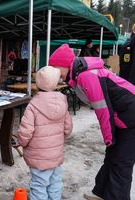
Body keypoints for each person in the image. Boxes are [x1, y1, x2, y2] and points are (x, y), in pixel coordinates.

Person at [49, 44, 135, 200]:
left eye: (55, 68)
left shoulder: (86, 76)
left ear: (64, 65)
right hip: (123, 116)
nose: (55, 73)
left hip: (131, 116)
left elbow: (103, 109)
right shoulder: (77, 76)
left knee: (121, 162)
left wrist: (109, 137)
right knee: (112, 156)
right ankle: (101, 193)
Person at [17, 66, 73, 200]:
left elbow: (26, 132)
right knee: (55, 182)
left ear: (38, 83)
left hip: (38, 156)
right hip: (56, 154)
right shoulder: (63, 102)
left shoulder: (33, 105)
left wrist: (22, 143)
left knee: (39, 184)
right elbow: (68, 128)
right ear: (55, 83)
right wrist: (58, 139)